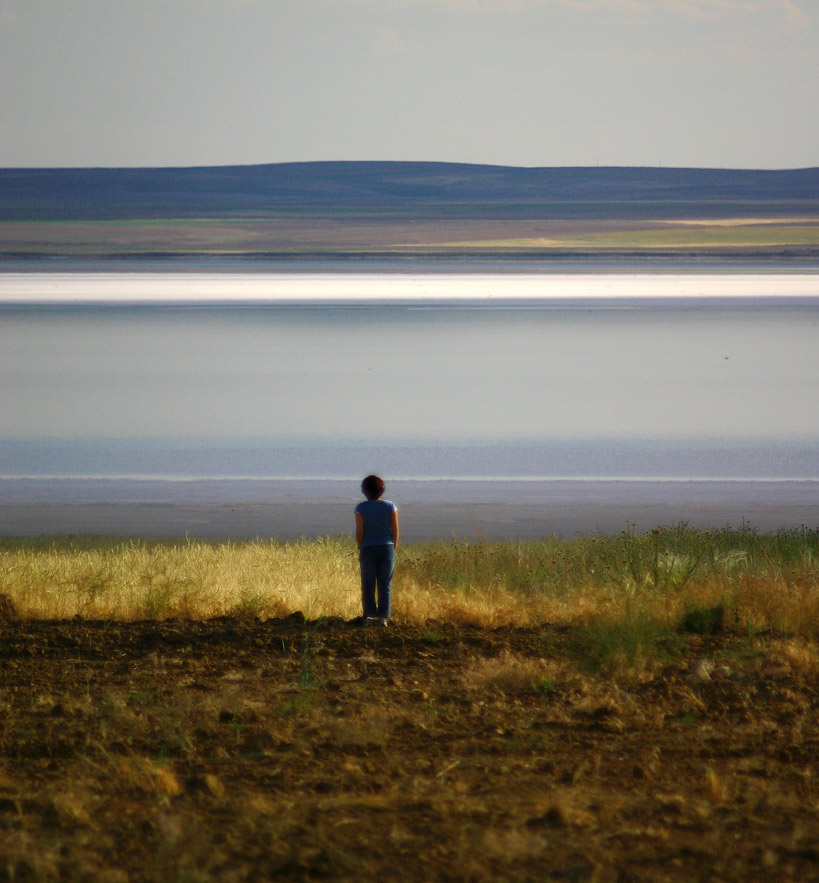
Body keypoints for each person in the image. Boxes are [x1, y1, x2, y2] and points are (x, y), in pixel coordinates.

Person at [354, 475, 399, 626]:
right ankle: (383, 618)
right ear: (382, 490)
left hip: (368, 548)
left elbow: (359, 531)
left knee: (368, 584)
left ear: (364, 490)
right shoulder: (390, 506)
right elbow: (395, 530)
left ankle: (368, 616)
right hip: (387, 547)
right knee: (385, 584)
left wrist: (360, 545)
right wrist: (393, 546)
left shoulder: (360, 508)